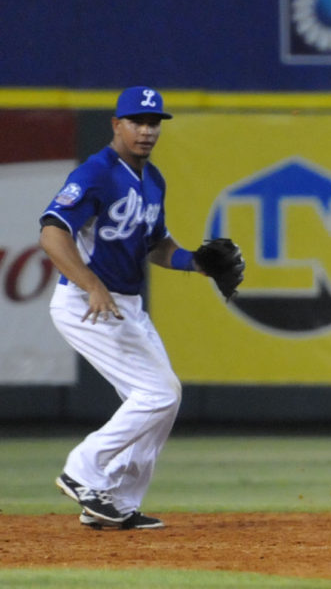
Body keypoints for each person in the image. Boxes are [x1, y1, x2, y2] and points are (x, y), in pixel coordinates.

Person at [40, 86, 210, 529]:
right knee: (159, 393)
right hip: (87, 302)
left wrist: (196, 262)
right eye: (136, 121)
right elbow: (52, 233)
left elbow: (155, 244)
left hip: (125, 305)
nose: (146, 130)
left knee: (162, 399)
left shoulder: (153, 180)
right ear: (116, 124)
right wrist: (92, 285)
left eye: (153, 122)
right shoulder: (95, 172)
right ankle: (82, 470)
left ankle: (113, 501)